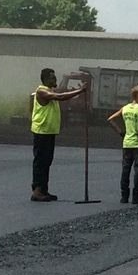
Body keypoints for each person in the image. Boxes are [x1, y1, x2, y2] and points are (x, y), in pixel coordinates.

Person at [29, 68, 87, 202]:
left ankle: (44, 189)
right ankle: (37, 191)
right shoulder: (42, 91)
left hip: (49, 132)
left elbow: (60, 94)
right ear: (45, 79)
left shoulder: (50, 91)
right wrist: (79, 91)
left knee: (47, 161)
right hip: (41, 131)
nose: (55, 80)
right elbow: (60, 97)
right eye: (52, 78)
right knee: (40, 162)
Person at [108, 84, 138, 204]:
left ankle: (124, 196)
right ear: (137, 96)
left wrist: (120, 131)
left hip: (126, 144)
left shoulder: (125, 108)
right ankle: (136, 196)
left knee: (125, 170)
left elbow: (110, 119)